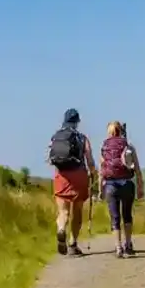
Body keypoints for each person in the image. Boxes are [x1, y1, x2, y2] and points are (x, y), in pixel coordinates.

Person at [47, 107, 96, 256]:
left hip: (62, 176)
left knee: (63, 212)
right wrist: (94, 173)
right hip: (79, 175)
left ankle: (61, 229)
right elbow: (90, 160)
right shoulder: (82, 138)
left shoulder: (55, 137)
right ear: (77, 122)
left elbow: (50, 159)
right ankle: (73, 243)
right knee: (78, 211)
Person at [97, 120, 144, 258]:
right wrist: (141, 187)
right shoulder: (129, 147)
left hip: (110, 185)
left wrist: (100, 190)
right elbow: (137, 168)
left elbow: (102, 171)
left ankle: (118, 247)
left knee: (114, 217)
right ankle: (128, 245)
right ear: (121, 131)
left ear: (109, 132)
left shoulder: (104, 147)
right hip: (127, 184)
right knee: (127, 214)